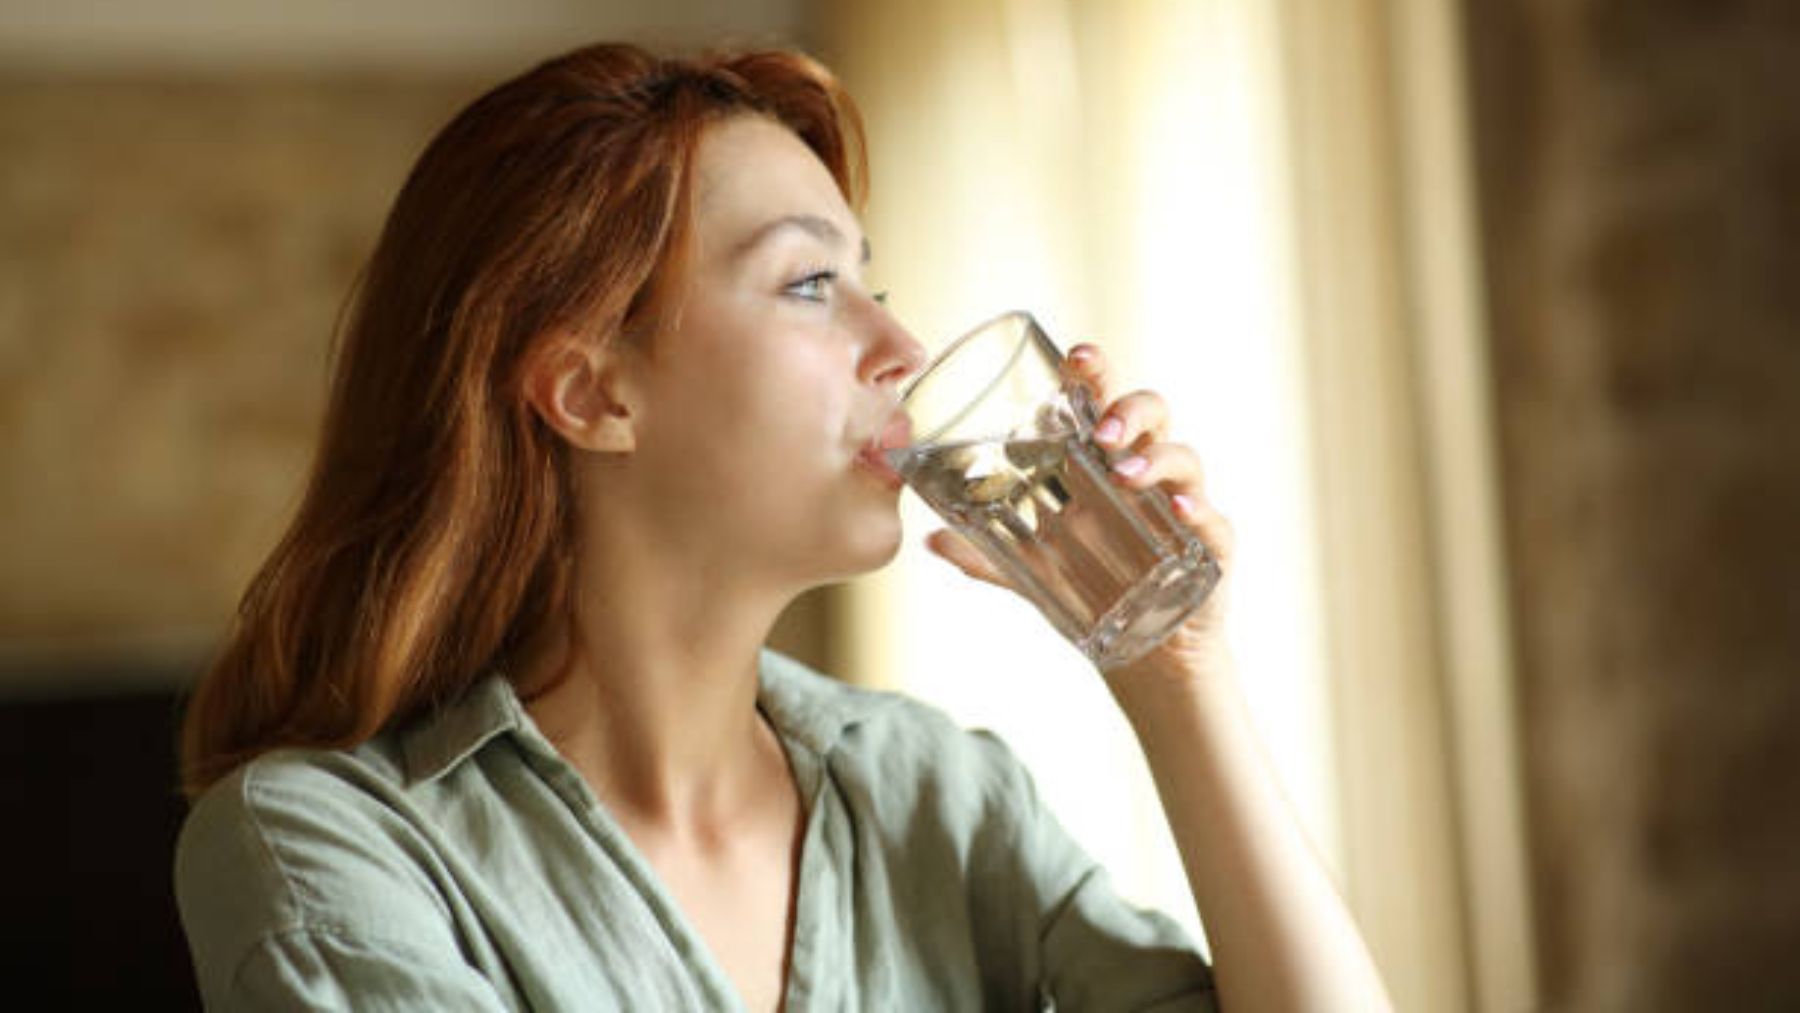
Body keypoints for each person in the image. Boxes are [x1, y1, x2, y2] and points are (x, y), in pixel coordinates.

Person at [174, 41, 1393, 1011]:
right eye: (812, 284)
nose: (902, 347)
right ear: (595, 392)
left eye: (878, 282)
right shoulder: (328, 844)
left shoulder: (938, 793)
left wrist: (1176, 670)